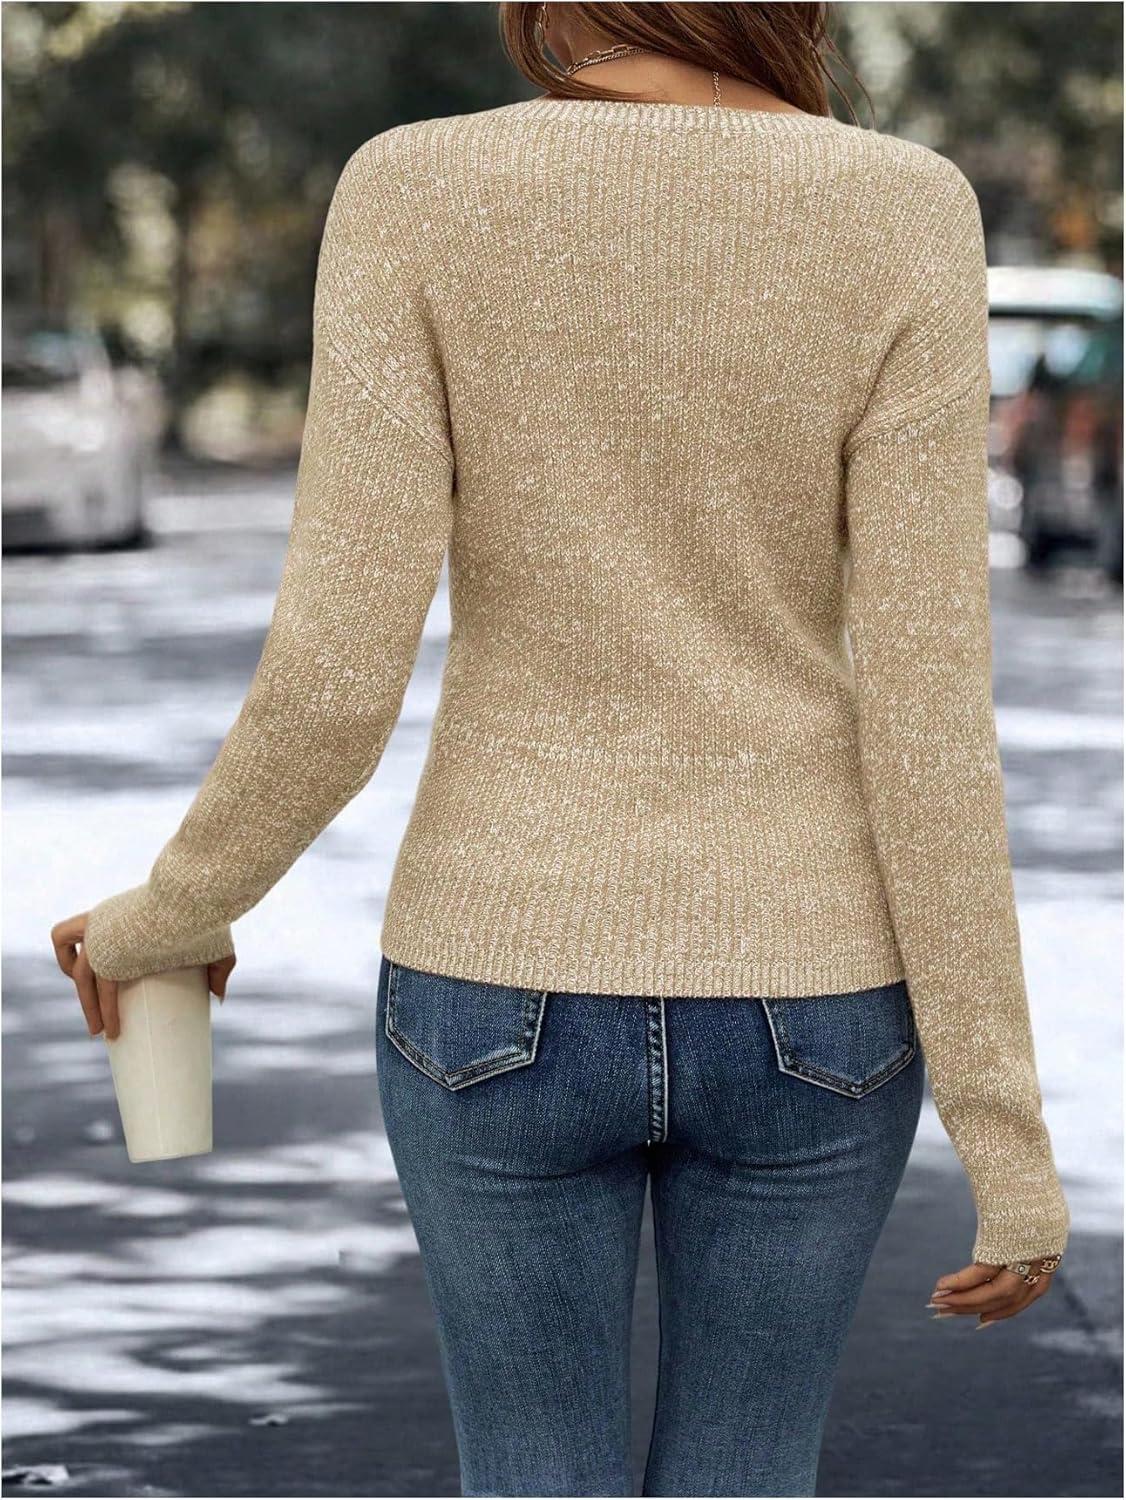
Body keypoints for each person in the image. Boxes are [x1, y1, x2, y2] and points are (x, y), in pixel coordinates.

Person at [53, 4, 1070, 1495]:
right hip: (814, 998)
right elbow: (928, 713)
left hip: (493, 977)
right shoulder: (904, 206)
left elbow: (336, 673)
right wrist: (1005, 1138)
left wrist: (177, 909)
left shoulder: (415, 188)